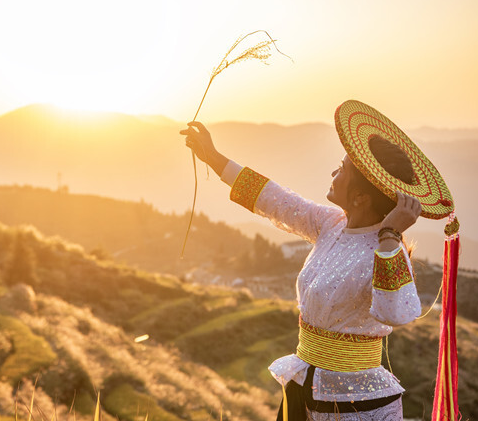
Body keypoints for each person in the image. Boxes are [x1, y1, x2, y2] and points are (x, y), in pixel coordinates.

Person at [179, 101, 434, 420]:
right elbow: (276, 200)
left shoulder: (386, 251)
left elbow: (395, 312)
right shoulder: (331, 224)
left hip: (356, 407)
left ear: (360, 197)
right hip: (305, 388)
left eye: (342, 169)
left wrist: (390, 234)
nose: (333, 172)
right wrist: (214, 159)